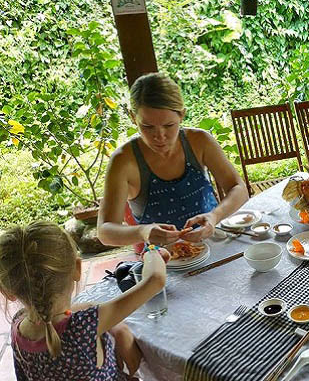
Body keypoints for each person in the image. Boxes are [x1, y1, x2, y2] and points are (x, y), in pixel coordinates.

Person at [0, 221, 171, 381]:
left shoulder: (18, 326)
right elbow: (156, 278)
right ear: (77, 268)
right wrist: (152, 248)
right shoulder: (86, 324)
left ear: (8, 292)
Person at [98, 73, 248, 249]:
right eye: (147, 127)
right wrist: (143, 232)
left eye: (169, 125)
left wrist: (214, 216)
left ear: (181, 115)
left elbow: (239, 189)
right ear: (133, 117)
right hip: (162, 260)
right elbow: (105, 231)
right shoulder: (124, 161)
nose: (159, 136)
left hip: (213, 242)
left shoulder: (199, 141)